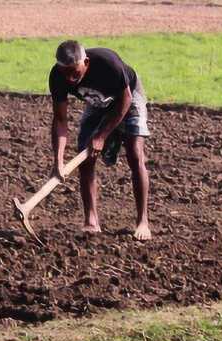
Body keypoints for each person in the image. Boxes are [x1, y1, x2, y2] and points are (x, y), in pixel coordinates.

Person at [48, 40, 151, 240]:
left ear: (85, 62)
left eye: (75, 73)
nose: (70, 79)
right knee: (85, 158)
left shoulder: (108, 63)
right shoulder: (57, 77)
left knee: (134, 154)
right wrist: (58, 160)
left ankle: (142, 221)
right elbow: (60, 120)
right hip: (97, 102)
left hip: (128, 97)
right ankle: (91, 221)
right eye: (65, 73)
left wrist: (102, 136)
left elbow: (126, 100)